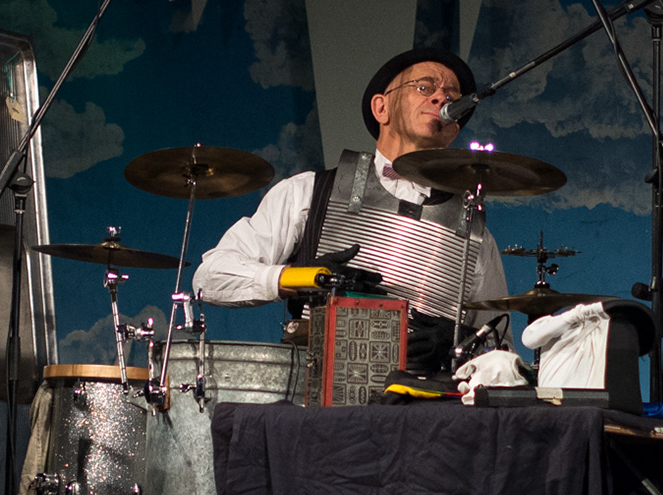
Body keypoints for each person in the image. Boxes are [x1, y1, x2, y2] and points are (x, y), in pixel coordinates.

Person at [195, 48, 508, 375]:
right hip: (318, 392)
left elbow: (501, 353)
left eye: (452, 96)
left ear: (453, 130)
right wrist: (302, 277)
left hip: (423, 398)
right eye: (424, 87)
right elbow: (210, 277)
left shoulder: (473, 231)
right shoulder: (308, 192)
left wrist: (463, 344)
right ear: (381, 108)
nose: (441, 97)